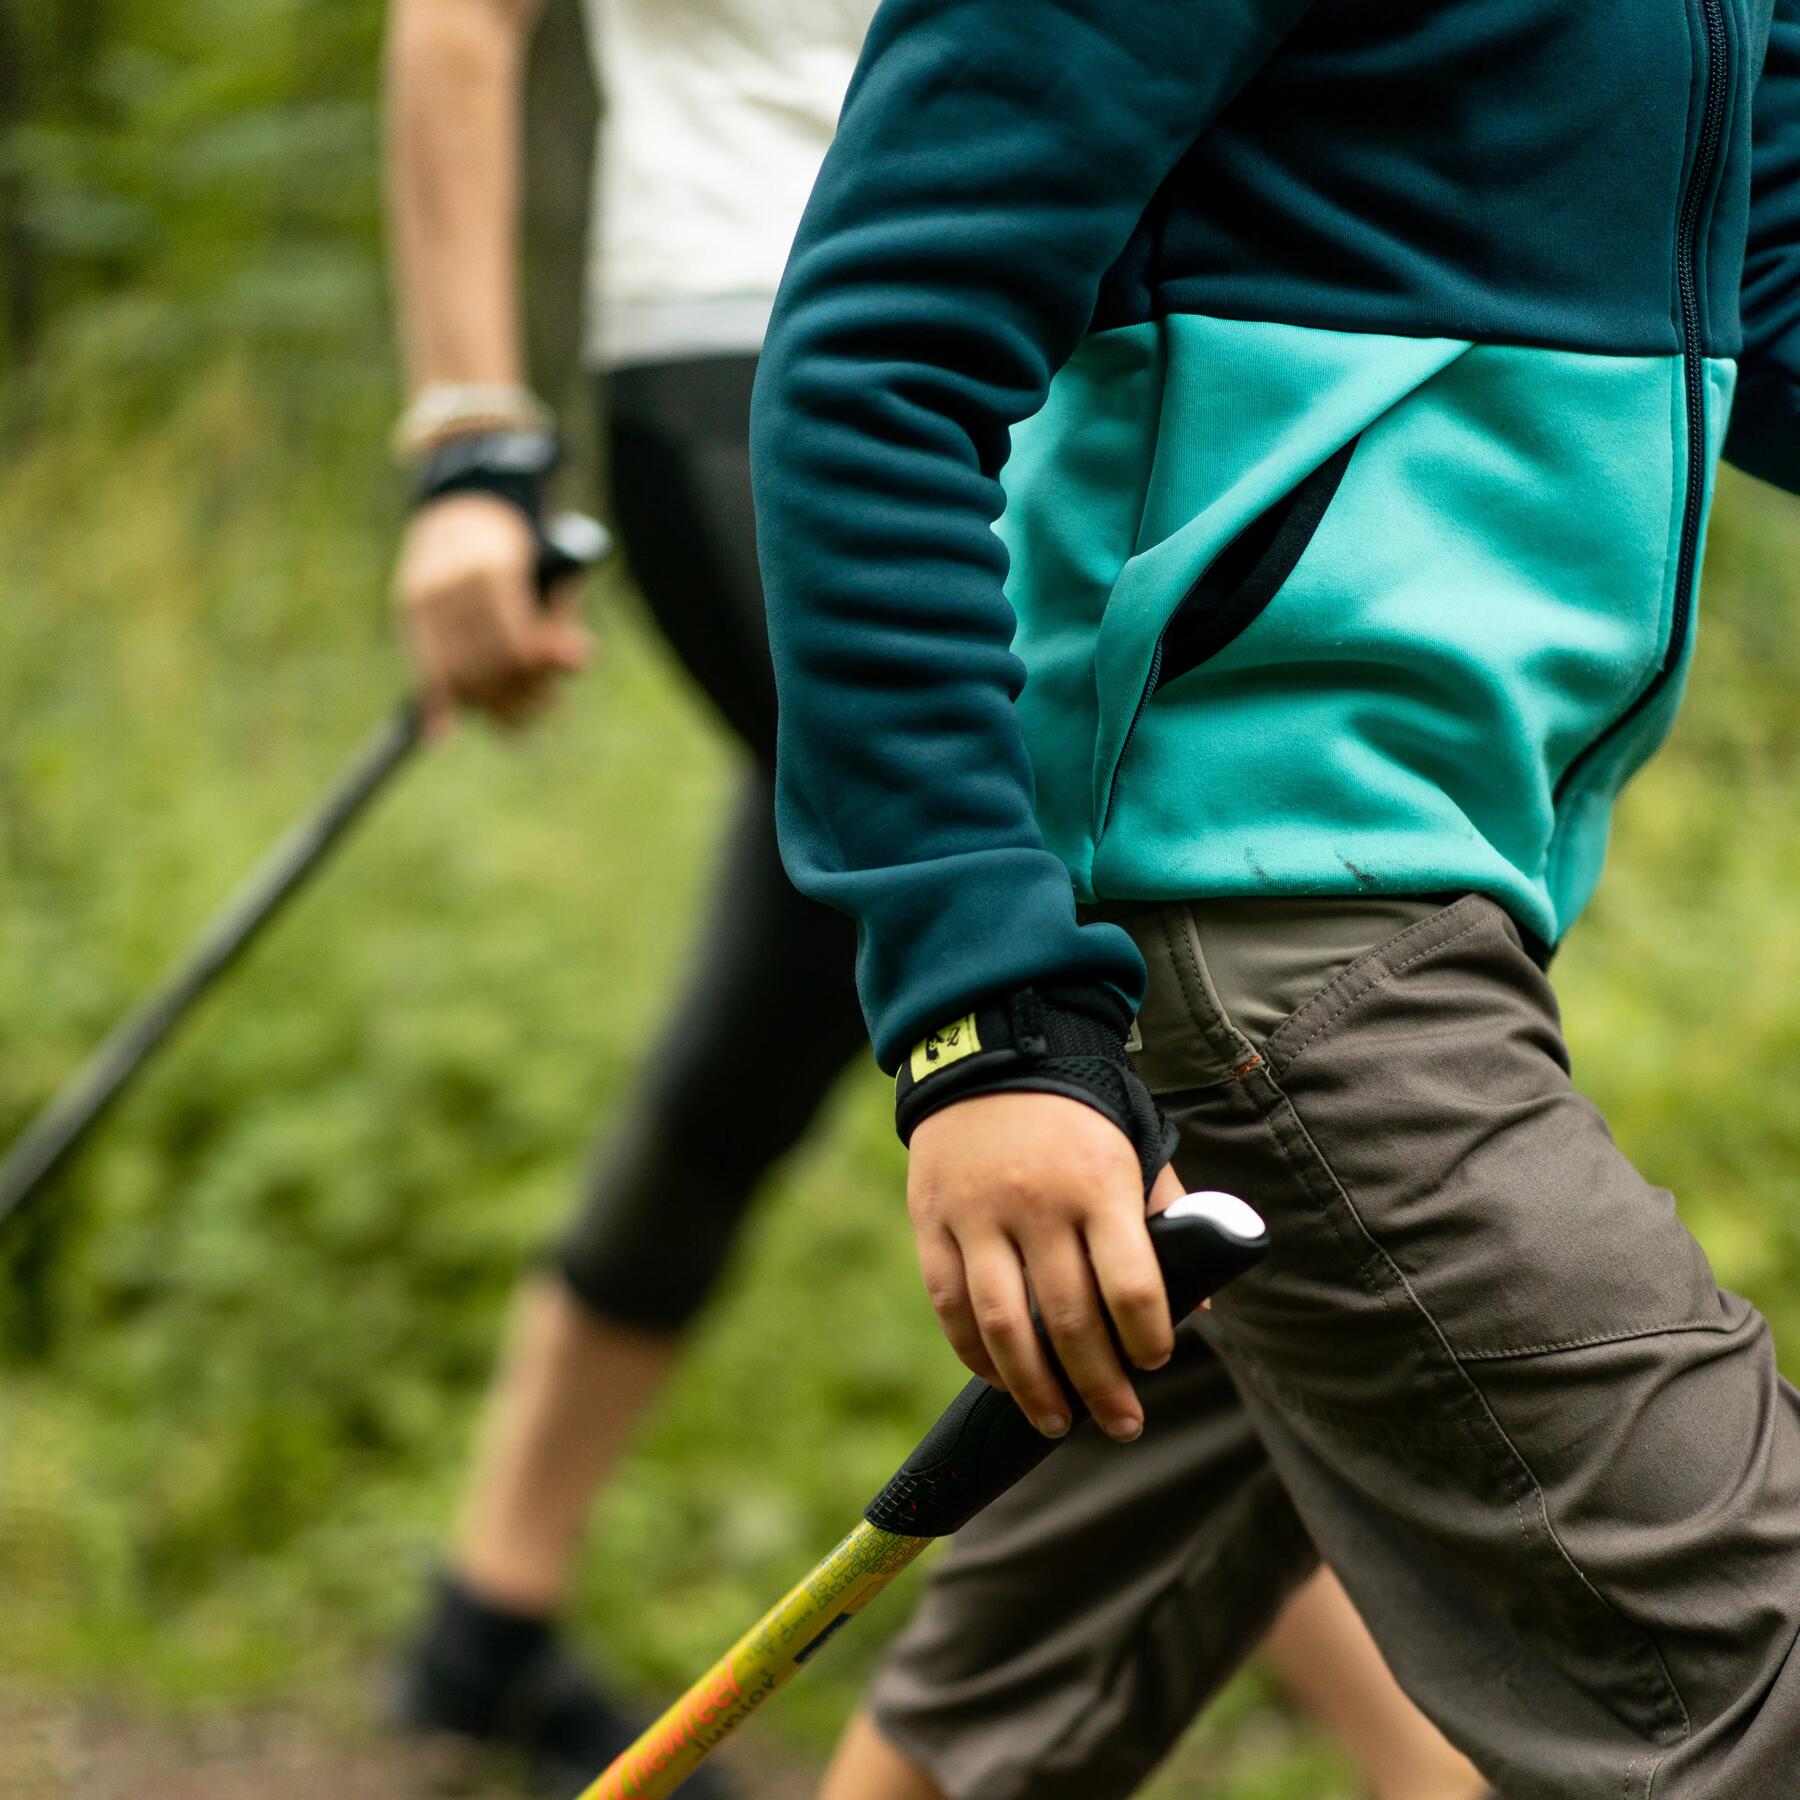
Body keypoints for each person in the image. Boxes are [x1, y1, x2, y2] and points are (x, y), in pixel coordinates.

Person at [380, 1, 1482, 1796]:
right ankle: (1436, 1771)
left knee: (777, 1015)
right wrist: (467, 441)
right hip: (774, 376)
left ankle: (485, 1621)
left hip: (1031, 365)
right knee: (1107, 1084)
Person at [749, 2, 1800, 1798]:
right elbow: (873, 366)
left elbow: (1757, 295)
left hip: (1434, 891)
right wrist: (984, 1014)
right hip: (1257, 919)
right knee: (1756, 1681)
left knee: (998, 1731)